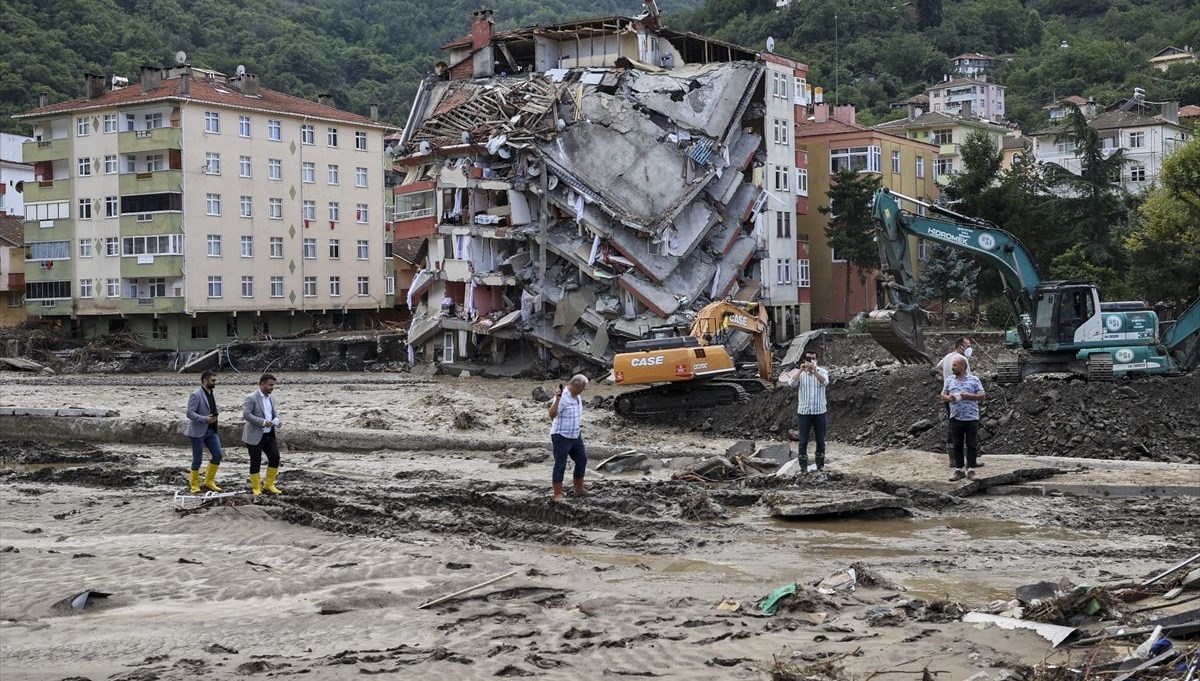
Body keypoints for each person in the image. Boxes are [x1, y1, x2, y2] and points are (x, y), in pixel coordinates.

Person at [778, 349, 830, 472]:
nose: (810, 361)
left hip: (819, 412)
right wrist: (801, 370)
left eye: (813, 359)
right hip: (804, 412)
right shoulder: (800, 374)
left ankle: (820, 466)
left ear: (817, 360)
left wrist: (814, 371)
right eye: (808, 359)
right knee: (803, 440)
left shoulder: (822, 371)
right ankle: (803, 468)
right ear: (804, 360)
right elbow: (791, 384)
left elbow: (825, 382)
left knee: (820, 440)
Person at [940, 357, 986, 481]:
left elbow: (982, 396)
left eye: (955, 365)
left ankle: (971, 469)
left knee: (971, 444)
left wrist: (969, 396)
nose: (952, 367)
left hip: (971, 418)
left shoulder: (974, 380)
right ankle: (959, 470)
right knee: (957, 444)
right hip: (955, 418)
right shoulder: (949, 380)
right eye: (952, 365)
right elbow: (943, 395)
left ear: (963, 367)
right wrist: (949, 398)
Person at [934, 337, 975, 467]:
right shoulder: (962, 360)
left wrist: (946, 378)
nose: (970, 348)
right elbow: (968, 378)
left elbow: (937, 368)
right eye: (968, 345)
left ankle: (953, 459)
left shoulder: (947, 357)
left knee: (953, 426)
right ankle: (968, 460)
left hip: (948, 396)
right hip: (960, 399)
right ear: (961, 347)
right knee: (966, 428)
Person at [549, 374, 589, 502]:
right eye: (583, 388)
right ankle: (557, 494)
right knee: (560, 465)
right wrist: (557, 399)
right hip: (561, 436)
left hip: (575, 435)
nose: (583, 390)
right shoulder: (562, 397)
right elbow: (552, 414)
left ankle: (579, 488)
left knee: (582, 460)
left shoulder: (577, 396)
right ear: (576, 386)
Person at [242, 374, 283, 496]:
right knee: (256, 461)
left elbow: (273, 413)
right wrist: (263, 422)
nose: (272, 387)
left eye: (273, 385)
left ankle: (269, 485)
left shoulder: (271, 398)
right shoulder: (251, 398)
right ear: (262, 384)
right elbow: (246, 415)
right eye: (270, 385)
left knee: (275, 457)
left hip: (269, 435)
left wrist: (277, 421)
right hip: (254, 436)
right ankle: (256, 487)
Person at [185, 370, 224, 494]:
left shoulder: (213, 393)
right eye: (213, 380)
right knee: (197, 459)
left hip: (211, 430)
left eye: (215, 380)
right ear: (205, 380)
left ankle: (209, 481)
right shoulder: (196, 395)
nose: (215, 382)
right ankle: (194, 484)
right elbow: (189, 413)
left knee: (218, 455)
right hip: (197, 431)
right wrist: (204, 419)